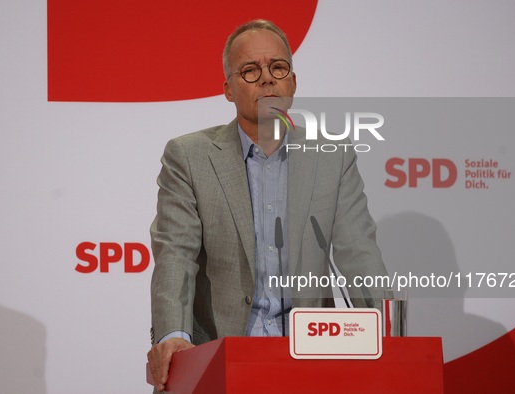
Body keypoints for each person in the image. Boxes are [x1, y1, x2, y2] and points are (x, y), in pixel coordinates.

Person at [147, 19, 388, 393]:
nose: (267, 79)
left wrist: (389, 336)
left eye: (278, 67)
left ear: (292, 81)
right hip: (219, 354)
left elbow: (358, 251)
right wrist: (173, 336)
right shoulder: (189, 157)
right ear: (228, 89)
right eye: (250, 70)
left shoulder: (332, 156)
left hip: (312, 356)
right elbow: (175, 254)